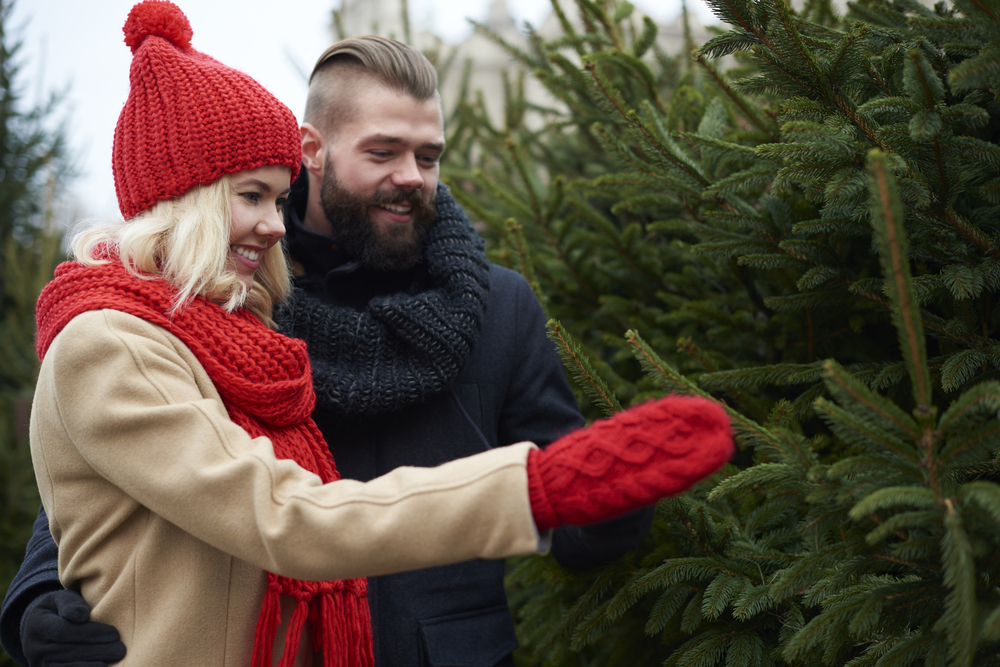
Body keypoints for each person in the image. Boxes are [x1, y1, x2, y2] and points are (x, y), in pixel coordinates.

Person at [0, 18, 734, 667]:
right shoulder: (235, 304)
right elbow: (126, 468)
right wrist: (37, 593)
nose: (411, 177)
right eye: (384, 151)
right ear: (312, 150)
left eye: (429, 154)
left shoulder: (497, 304)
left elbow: (573, 495)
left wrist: (620, 485)